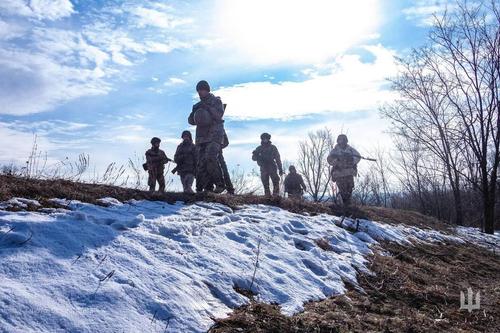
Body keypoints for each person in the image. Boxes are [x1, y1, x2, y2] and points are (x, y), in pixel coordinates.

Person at [188, 80, 226, 193]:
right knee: (201, 163)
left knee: (210, 157)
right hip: (201, 137)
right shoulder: (197, 105)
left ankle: (220, 184)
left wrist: (208, 108)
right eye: (198, 91)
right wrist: (195, 113)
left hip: (214, 135)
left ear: (207, 90)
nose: (200, 93)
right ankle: (207, 188)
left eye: (202, 90)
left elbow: (219, 116)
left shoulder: (216, 101)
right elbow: (190, 121)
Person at [327, 134, 361, 205]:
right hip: (339, 173)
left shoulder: (351, 150)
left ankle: (347, 205)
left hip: (349, 172)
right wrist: (337, 161)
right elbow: (329, 160)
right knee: (342, 190)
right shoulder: (334, 151)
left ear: (346, 141)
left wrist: (351, 161)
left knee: (349, 189)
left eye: (343, 140)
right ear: (338, 141)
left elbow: (358, 157)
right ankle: (342, 205)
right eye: (340, 140)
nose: (342, 142)